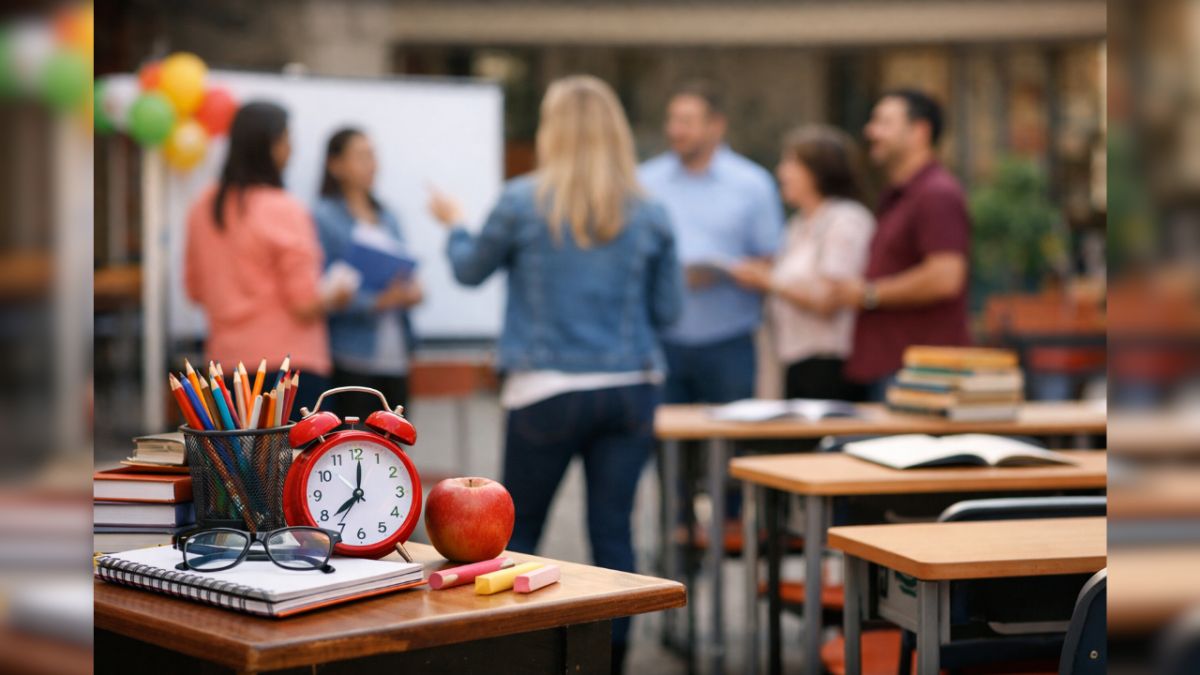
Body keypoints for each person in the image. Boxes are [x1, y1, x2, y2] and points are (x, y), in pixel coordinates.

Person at [427, 75, 682, 674]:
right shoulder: (651, 211)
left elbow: (468, 270)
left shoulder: (521, 200)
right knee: (614, 536)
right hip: (631, 387)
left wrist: (454, 222)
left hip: (545, 389)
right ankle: (610, 660)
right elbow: (669, 311)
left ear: (553, 132)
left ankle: (522, 657)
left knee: (520, 537)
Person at [184, 101, 343, 414]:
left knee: (239, 464)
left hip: (226, 368)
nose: (292, 148)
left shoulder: (203, 206)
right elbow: (304, 303)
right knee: (297, 463)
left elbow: (195, 290)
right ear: (270, 145)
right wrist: (338, 296)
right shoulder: (284, 207)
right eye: (287, 138)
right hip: (289, 368)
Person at [639, 81, 784, 405]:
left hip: (729, 341)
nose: (676, 130)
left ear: (716, 126)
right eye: (672, 121)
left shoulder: (752, 184)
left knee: (729, 444)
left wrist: (728, 271)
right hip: (662, 341)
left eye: (687, 122)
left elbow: (771, 262)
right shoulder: (645, 181)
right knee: (668, 446)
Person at [830, 89, 972, 400]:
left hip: (920, 375)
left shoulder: (936, 193)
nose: (871, 132)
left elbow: (945, 276)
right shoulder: (901, 195)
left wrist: (868, 294)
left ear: (919, 132)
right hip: (897, 367)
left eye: (883, 122)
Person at [728, 125, 874, 401]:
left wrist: (767, 280)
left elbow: (831, 298)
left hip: (830, 365)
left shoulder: (846, 220)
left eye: (791, 163)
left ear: (818, 170)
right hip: (793, 361)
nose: (781, 172)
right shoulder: (797, 225)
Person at [313, 128, 422, 419]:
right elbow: (323, 290)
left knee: (393, 447)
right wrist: (379, 301)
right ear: (335, 165)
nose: (372, 164)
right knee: (354, 443)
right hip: (351, 354)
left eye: (373, 156)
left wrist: (411, 292)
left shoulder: (389, 216)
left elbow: (405, 272)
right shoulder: (323, 217)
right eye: (361, 156)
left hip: (396, 354)